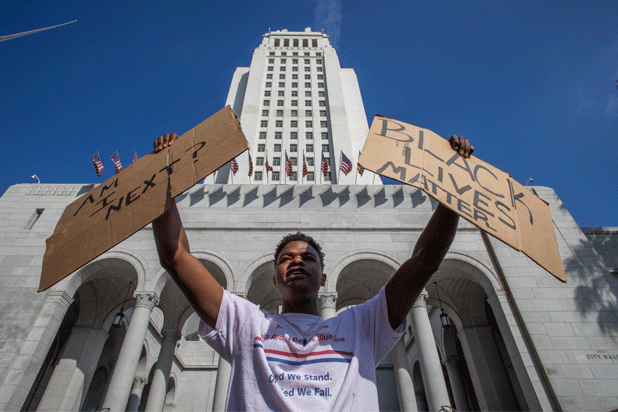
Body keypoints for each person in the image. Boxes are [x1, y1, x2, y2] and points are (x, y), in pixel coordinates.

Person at [152, 133, 473, 411]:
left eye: (308, 258)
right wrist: (162, 177)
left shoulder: (362, 325)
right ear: (274, 279)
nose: (297, 261)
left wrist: (453, 189)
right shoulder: (246, 324)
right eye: (285, 258)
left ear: (323, 278)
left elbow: (424, 260)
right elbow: (176, 257)